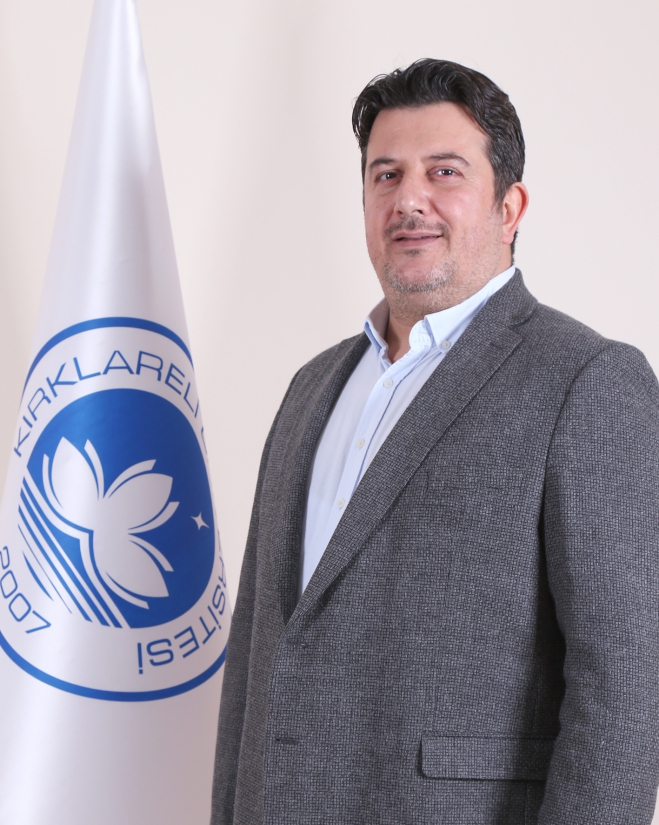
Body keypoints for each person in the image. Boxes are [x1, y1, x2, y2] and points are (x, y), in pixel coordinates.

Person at [211, 59, 659, 824]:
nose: (408, 199)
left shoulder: (585, 381)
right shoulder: (309, 388)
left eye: (443, 171)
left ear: (509, 206)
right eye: (385, 175)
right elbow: (255, 652)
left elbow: (626, 687)